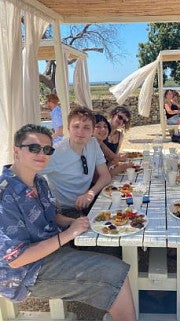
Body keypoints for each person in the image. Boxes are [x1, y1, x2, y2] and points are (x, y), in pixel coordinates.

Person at [0, 124, 136, 321]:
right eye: (33, 148)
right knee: (116, 272)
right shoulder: (5, 195)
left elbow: (52, 216)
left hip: (51, 251)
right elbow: (15, 259)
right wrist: (68, 234)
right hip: (25, 274)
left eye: (47, 149)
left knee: (109, 250)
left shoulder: (39, 181)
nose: (42, 154)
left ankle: (96, 312)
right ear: (16, 151)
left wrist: (74, 222)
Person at [41, 106, 111, 218]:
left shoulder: (92, 144)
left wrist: (90, 193)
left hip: (87, 202)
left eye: (86, 127)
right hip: (64, 211)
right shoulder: (55, 152)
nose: (80, 132)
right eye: (76, 126)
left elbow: (106, 176)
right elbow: (28, 175)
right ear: (68, 128)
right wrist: (48, 201)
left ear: (92, 131)